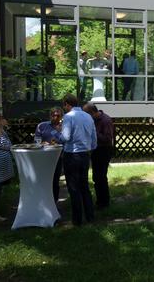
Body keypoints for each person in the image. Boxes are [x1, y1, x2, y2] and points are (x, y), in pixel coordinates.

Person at [51, 94, 97, 226]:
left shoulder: (68, 116)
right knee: (84, 187)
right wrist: (90, 148)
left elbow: (65, 137)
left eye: (64, 105)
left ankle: (77, 220)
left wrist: (57, 135)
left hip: (72, 155)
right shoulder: (88, 116)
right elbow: (94, 137)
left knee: (74, 188)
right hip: (85, 155)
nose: (64, 108)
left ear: (67, 104)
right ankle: (90, 216)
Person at [83, 102, 115, 209]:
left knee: (101, 176)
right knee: (96, 177)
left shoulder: (105, 120)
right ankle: (100, 201)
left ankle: (104, 202)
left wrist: (93, 132)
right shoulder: (93, 120)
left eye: (86, 114)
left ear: (92, 112)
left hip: (104, 150)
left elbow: (107, 138)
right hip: (96, 150)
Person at [34, 107, 64, 202]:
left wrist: (57, 133)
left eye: (57, 115)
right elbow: (36, 140)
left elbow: (64, 141)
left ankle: (54, 202)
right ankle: (43, 201)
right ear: (50, 115)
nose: (55, 117)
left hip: (57, 157)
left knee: (55, 180)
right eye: (53, 115)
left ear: (61, 116)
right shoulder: (42, 125)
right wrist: (42, 143)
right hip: (43, 157)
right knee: (43, 180)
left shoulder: (64, 127)